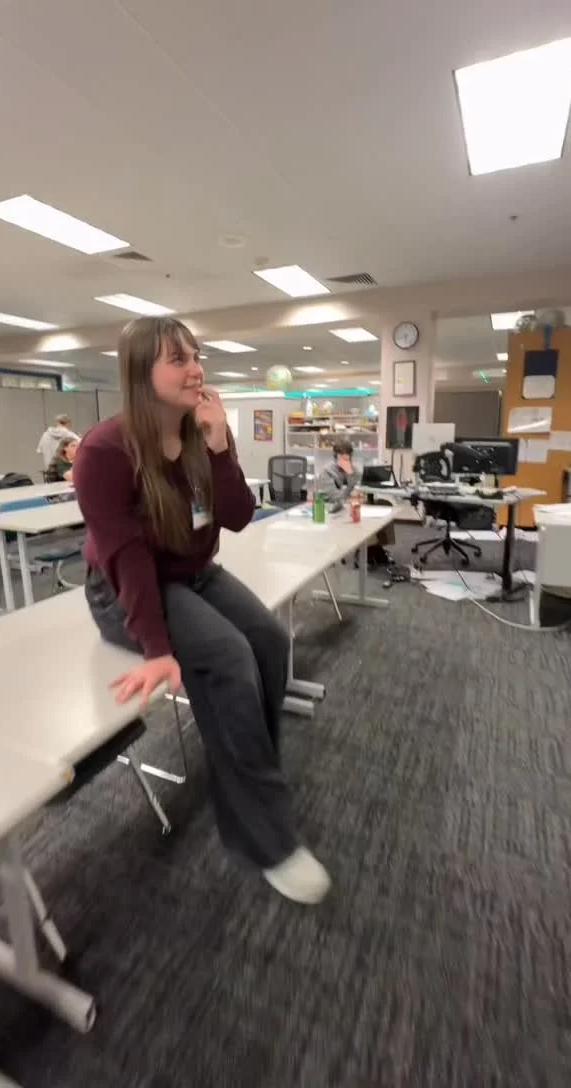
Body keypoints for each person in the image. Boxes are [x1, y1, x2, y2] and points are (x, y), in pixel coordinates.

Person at [73, 316, 330, 905]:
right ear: (142, 373)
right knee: (229, 657)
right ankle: (266, 839)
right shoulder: (105, 451)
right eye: (178, 360)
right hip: (123, 589)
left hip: (194, 573)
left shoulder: (201, 431)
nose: (196, 370)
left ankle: (253, 779)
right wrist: (156, 647)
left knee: (270, 642)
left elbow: (237, 515)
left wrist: (218, 449)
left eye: (196, 356)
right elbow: (126, 557)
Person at [317, 440, 358, 511]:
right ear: (335, 455)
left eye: (348, 454)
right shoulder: (327, 472)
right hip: (329, 508)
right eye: (341, 454)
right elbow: (335, 498)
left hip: (347, 507)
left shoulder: (353, 469)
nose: (346, 457)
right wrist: (350, 485)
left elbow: (359, 492)